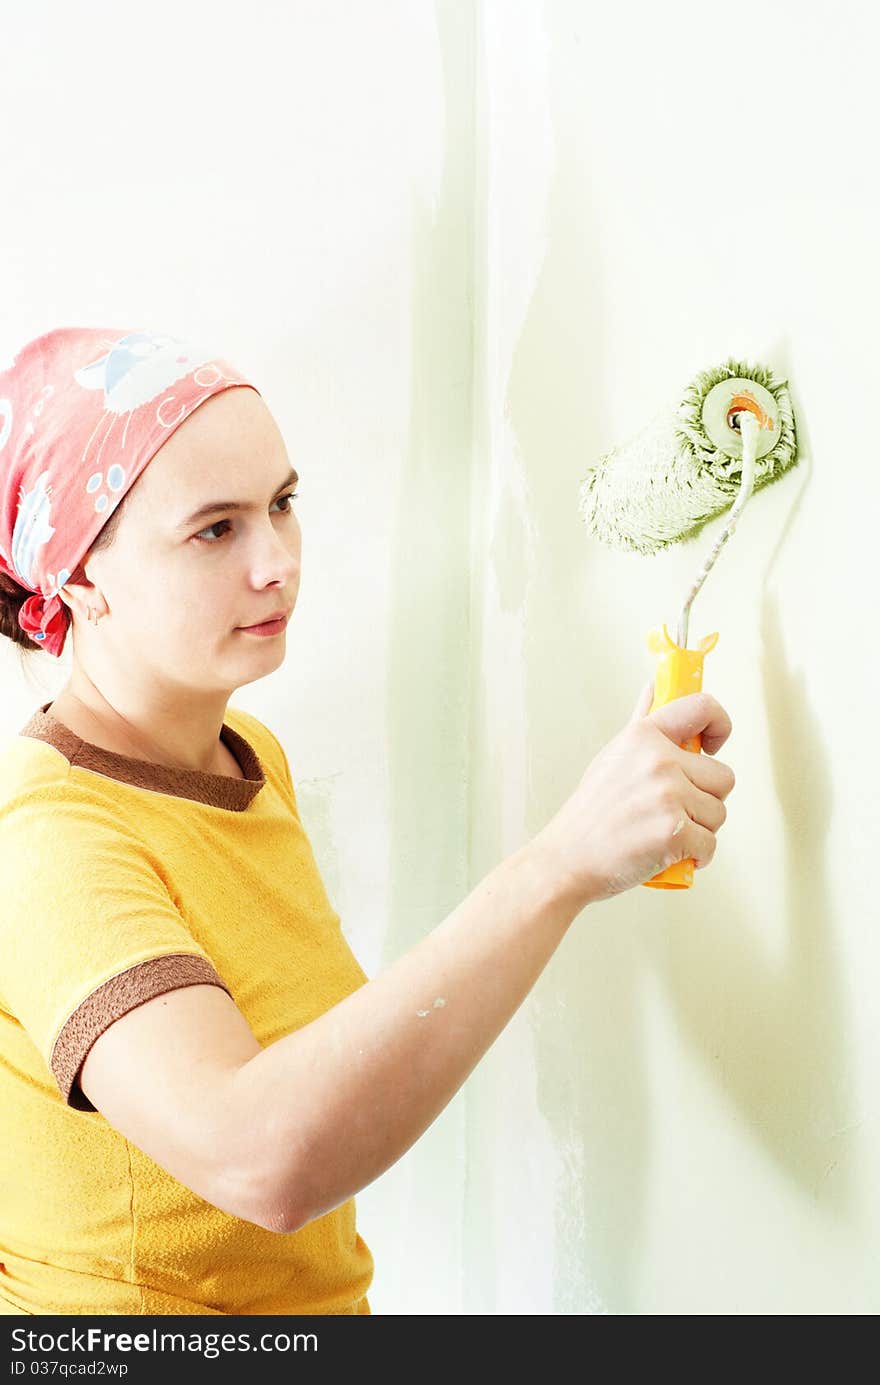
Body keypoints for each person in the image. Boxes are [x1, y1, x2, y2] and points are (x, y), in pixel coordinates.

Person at [0, 326, 735, 1317]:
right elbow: (263, 1159)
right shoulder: (47, 842)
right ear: (79, 579)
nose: (278, 563)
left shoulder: (246, 757)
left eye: (282, 504)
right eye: (215, 528)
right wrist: (562, 861)